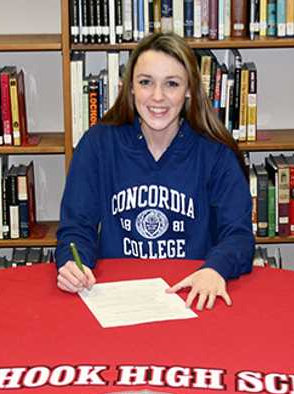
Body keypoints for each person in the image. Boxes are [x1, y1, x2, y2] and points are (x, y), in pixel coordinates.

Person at [55, 32, 254, 310]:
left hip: (190, 295)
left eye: (171, 84)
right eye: (146, 82)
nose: (157, 97)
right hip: (116, 300)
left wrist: (216, 269)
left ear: (188, 89)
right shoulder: (98, 144)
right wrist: (72, 264)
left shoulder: (215, 153)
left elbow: (239, 235)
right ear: (130, 87)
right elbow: (77, 228)